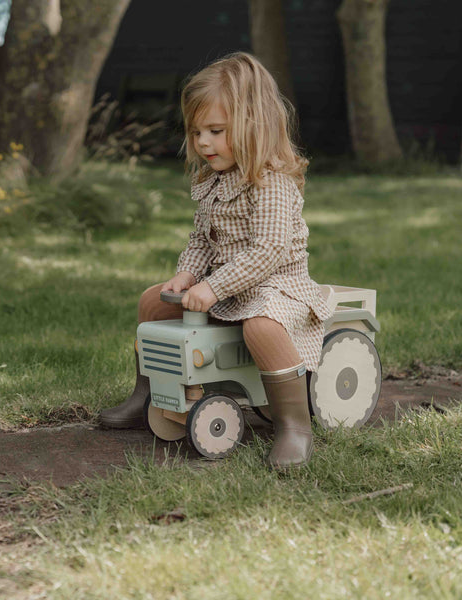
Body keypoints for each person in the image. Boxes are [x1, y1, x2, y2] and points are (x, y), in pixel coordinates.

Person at [98, 52, 331, 469]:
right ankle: (148, 394)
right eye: (196, 131)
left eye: (216, 131)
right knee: (153, 302)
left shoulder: (270, 183)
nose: (203, 142)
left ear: (253, 126)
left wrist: (213, 286)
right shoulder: (213, 180)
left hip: (276, 288)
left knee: (262, 327)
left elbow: (269, 252)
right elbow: (203, 239)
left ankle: (295, 425)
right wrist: (188, 273)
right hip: (225, 286)